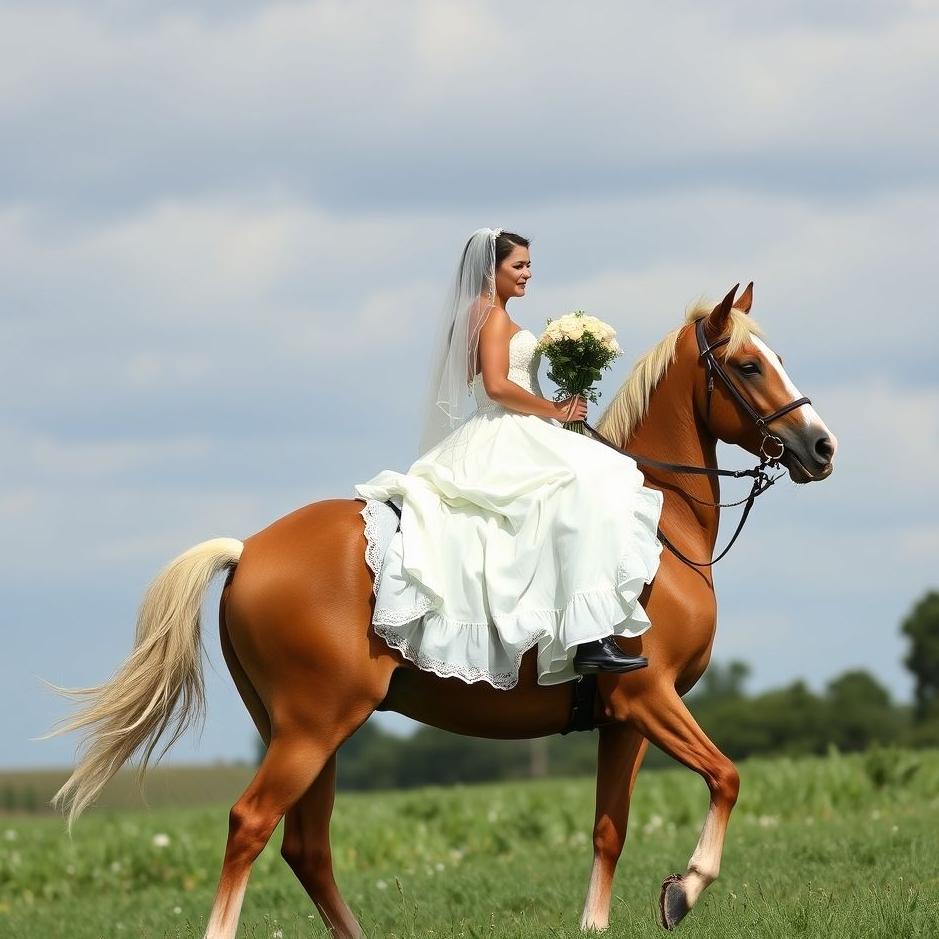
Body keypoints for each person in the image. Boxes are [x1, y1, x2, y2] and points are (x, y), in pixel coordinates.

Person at [352, 228, 664, 690]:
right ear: (490, 269)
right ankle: (588, 635)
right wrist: (556, 410)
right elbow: (497, 387)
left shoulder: (476, 315)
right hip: (505, 427)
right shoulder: (492, 317)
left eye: (529, 266)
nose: (527, 274)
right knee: (594, 482)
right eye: (518, 266)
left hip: (515, 423)